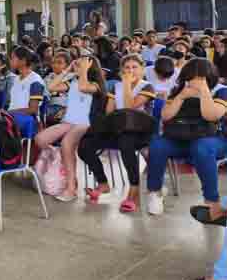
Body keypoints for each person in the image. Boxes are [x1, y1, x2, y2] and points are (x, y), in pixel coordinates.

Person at [146, 58, 227, 217]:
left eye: (200, 77)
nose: (194, 81)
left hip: (213, 139)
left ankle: (212, 203)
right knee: (157, 144)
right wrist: (181, 96)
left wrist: (204, 92)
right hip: (181, 138)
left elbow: (211, 115)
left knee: (201, 147)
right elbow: (165, 116)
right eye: (191, 77)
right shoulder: (178, 90)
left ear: (209, 77)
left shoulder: (221, 91)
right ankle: (155, 192)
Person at [79, 54, 156, 213]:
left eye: (134, 67)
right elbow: (109, 112)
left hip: (140, 132)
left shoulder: (147, 86)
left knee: (126, 143)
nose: (130, 70)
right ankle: (103, 183)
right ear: (121, 70)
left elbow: (129, 107)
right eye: (127, 68)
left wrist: (127, 85)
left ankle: (133, 192)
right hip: (119, 128)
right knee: (85, 146)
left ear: (142, 69)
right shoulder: (116, 87)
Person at [35, 54, 106, 202]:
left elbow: (84, 87)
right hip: (69, 122)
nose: (77, 67)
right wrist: (67, 70)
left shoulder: (96, 85)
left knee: (66, 144)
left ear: (89, 67)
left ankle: (71, 188)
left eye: (80, 64)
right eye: (77, 64)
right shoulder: (72, 81)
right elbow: (51, 86)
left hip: (86, 123)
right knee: (40, 139)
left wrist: (84, 71)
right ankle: (61, 157)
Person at [7, 46, 45, 137]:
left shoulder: (35, 81)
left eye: (13, 58)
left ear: (23, 61)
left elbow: (33, 109)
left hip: (29, 119)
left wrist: (10, 113)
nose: (10, 60)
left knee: (2, 125)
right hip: (13, 115)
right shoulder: (16, 79)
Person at [44, 51, 70, 126]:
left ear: (67, 65)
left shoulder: (69, 78)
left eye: (59, 63)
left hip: (61, 107)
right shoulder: (48, 77)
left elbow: (50, 88)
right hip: (47, 105)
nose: (55, 65)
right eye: (53, 62)